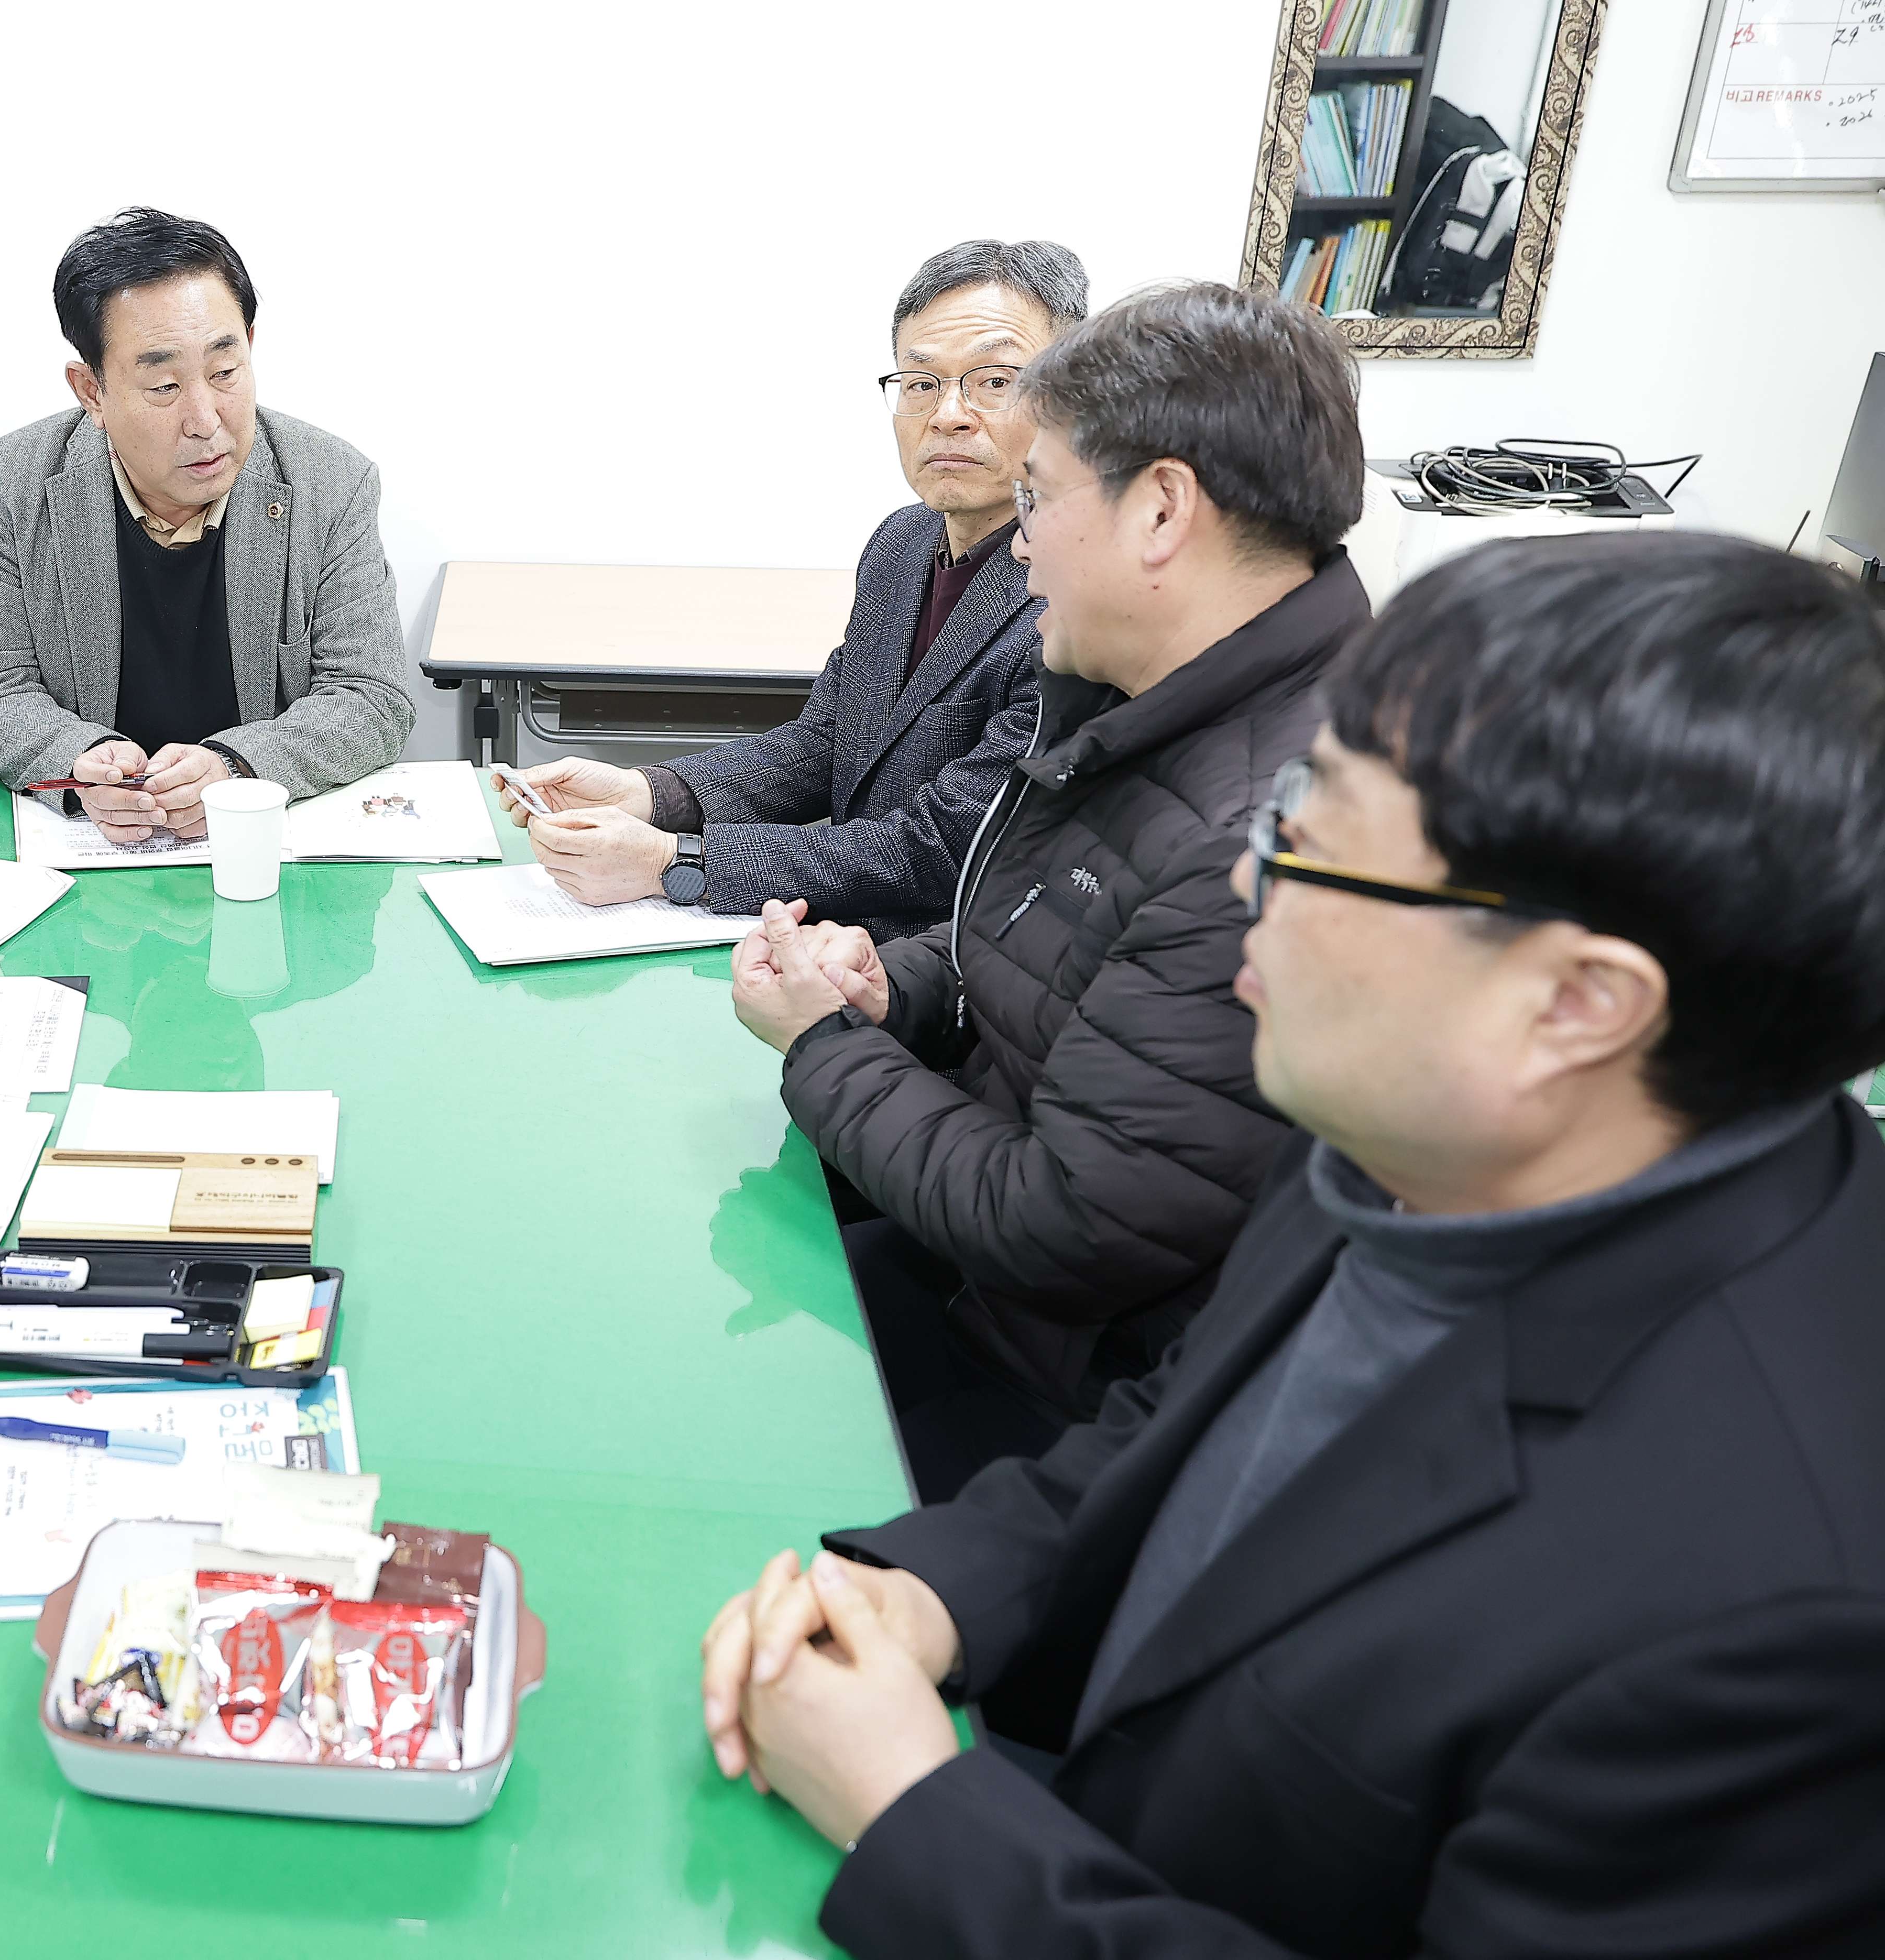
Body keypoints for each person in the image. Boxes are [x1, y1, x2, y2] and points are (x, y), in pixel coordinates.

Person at [699, 531, 1885, 1956]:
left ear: (1578, 1003)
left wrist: (915, 1813)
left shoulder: (1788, 1617)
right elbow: (1182, 1425)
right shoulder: (1416, 1123)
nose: (1245, 886)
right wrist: (939, 1592)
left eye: (1315, 849)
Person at [732, 282, 1368, 1502]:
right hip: (986, 1289)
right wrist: (889, 986)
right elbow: (1033, 941)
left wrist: (821, 1043)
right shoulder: (1150, 693)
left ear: (1161, 511)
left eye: (1037, 499)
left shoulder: (1274, 832)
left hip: (1065, 1398)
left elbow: (1059, 1224)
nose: (1019, 546)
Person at [493, 241, 1071, 929]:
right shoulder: (902, 541)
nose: (948, 413)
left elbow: (947, 847)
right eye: (920, 383)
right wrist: (650, 794)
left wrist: (675, 860)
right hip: (834, 942)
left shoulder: (1079, 596)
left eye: (995, 381)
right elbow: (827, 742)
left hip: (958, 960)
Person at [0, 207, 413, 840]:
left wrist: (237, 768)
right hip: (96, 856)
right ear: (91, 391)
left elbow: (372, 696)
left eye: (225, 372)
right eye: (164, 386)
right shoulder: (11, 485)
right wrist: (79, 760)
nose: (205, 419)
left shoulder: (331, 483)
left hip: (263, 846)